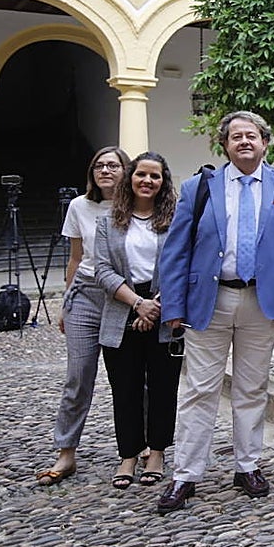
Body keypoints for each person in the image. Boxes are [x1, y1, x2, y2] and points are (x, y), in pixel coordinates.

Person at [156, 111, 274, 514]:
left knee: (252, 388)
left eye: (252, 136)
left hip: (263, 302)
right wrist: (173, 305)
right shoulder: (198, 188)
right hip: (209, 301)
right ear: (224, 144)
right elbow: (176, 251)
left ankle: (248, 465)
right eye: (236, 136)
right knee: (199, 390)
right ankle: (186, 474)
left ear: (265, 142)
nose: (245, 142)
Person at [35, 147, 128, 486]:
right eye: (99, 166)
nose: (106, 171)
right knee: (78, 376)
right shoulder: (79, 206)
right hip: (86, 296)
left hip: (124, 296)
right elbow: (75, 259)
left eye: (113, 165)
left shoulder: (134, 206)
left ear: (125, 170)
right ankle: (66, 450)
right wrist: (65, 301)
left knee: (131, 379)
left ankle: (138, 446)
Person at [94, 151, 181, 489]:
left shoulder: (174, 221)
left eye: (155, 176)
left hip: (164, 311)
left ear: (163, 182)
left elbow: (181, 267)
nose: (147, 181)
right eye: (141, 174)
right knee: (125, 389)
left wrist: (155, 305)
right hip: (121, 312)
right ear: (130, 178)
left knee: (163, 387)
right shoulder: (108, 222)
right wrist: (137, 304)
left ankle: (157, 451)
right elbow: (101, 269)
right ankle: (129, 454)